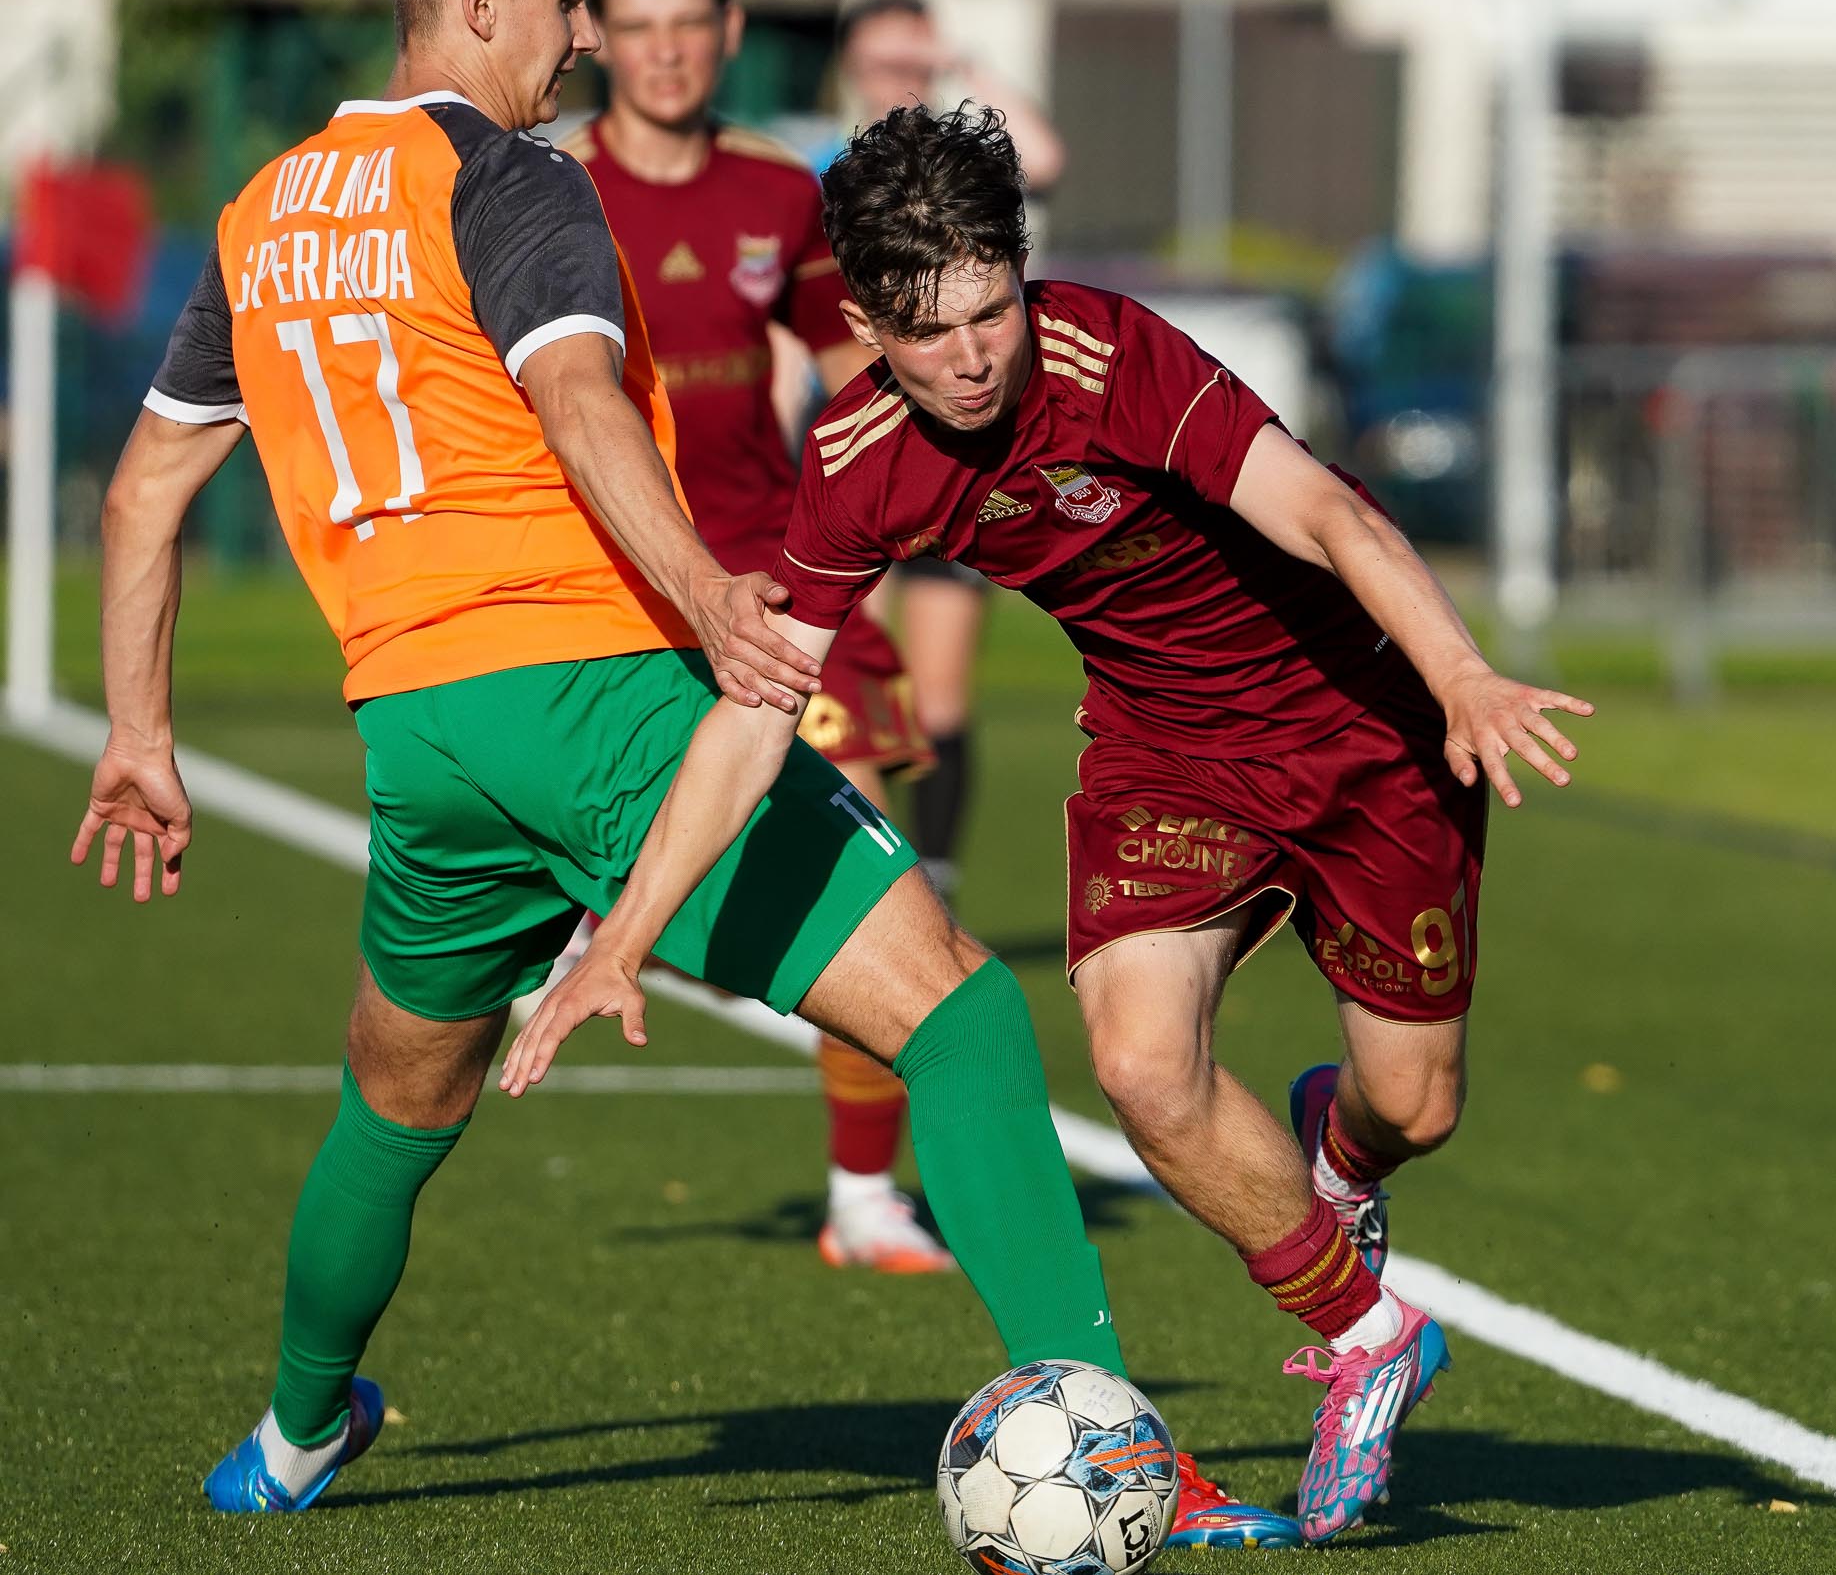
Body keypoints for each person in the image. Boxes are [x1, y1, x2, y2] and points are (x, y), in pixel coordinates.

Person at [68, 0, 1136, 1521]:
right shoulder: (511, 179)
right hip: (594, 698)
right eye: (567, 0)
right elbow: (573, 404)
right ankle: (1113, 1432)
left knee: (397, 1094)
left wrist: (141, 734)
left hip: (415, 735)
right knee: (961, 1010)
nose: (576, 37)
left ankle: (286, 1440)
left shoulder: (262, 214)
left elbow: (141, 491)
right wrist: (715, 598)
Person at [513, 104, 1593, 1545]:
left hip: (1368, 718)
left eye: (990, 309)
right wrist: (620, 942)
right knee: (1142, 1066)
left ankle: (1340, 1145)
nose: (970, 355)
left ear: (1023, 280)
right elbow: (753, 713)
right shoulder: (859, 454)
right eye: (928, 327)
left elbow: (1331, 514)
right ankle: (1369, 1335)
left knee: (1417, 1105)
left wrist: (1458, 673)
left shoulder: (1109, 356)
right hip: (1166, 745)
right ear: (866, 327)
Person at [552, 0, 949, 1275]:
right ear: (598, 34)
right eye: (638, 25)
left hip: (782, 589)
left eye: (690, 26)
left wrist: (878, 524)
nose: (665, 53)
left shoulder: (784, 191)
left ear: (727, 31)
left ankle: (862, 1196)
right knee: (531, 909)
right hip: (609, 596)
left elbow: (851, 371)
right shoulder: (546, 188)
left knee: (878, 876)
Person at [830, 0, 1068, 900]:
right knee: (856, 694)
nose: (900, 76)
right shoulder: (822, 163)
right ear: (851, 61)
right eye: (884, 60)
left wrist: (964, 72)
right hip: (865, 460)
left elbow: (1044, 158)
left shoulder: (966, 168)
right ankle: (871, 891)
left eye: (913, 57)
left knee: (937, 698)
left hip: (958, 458)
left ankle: (936, 882)